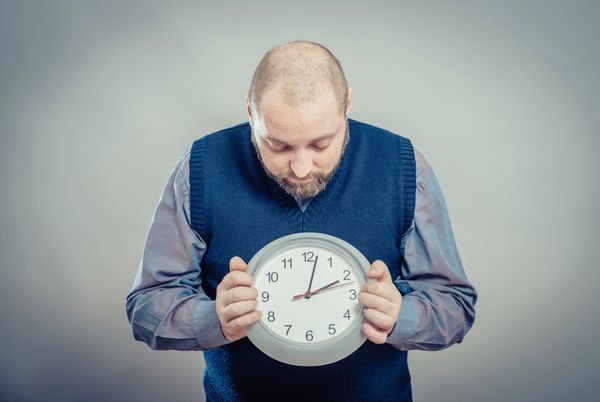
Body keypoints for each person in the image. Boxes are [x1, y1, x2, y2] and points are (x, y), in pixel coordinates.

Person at [126, 40, 477, 402]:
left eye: (321, 144)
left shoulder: (404, 167)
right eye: (277, 145)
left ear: (347, 106)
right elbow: (148, 305)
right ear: (250, 111)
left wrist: (400, 316)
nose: (301, 167)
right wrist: (213, 318)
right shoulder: (198, 169)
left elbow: (454, 305)